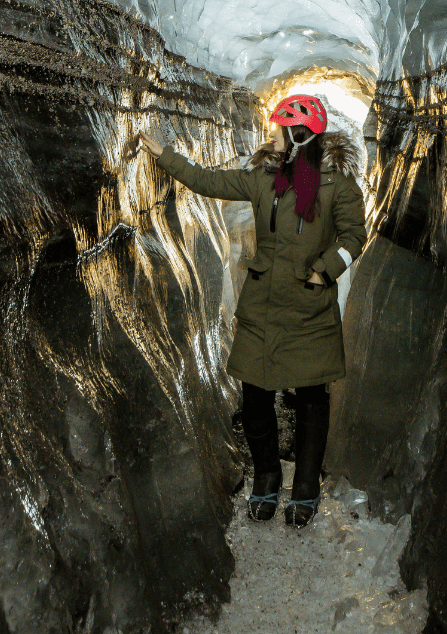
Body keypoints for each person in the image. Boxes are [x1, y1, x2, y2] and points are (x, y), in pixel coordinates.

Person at [135, 94, 367, 526]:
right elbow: (209, 181)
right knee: (255, 393)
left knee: (312, 395)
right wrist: (164, 155)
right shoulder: (265, 179)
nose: (273, 136)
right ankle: (266, 477)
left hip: (309, 308)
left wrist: (324, 271)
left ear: (298, 135)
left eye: (279, 128)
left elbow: (355, 237)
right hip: (262, 304)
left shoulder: (339, 187)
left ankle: (306, 485)